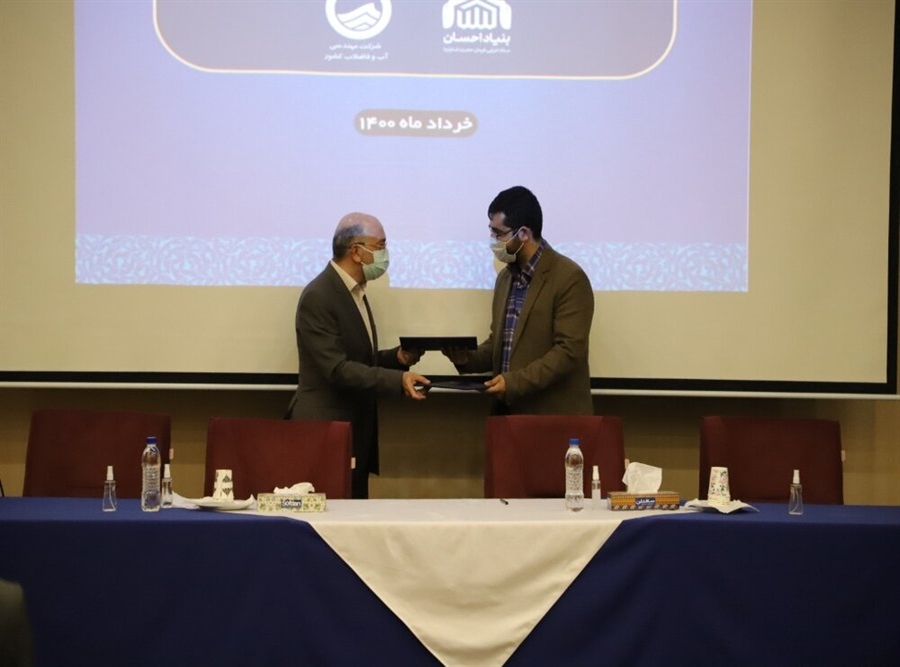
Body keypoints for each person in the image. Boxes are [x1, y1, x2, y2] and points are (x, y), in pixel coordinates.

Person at [288, 212, 428, 499]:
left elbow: (358, 358)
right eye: (381, 246)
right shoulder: (319, 295)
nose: (385, 254)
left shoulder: (355, 291)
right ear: (356, 251)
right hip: (325, 430)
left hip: (353, 431)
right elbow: (337, 369)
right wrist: (397, 380)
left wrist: (397, 359)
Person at [443, 186, 594, 415]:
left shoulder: (569, 278)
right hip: (506, 416)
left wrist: (513, 383)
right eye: (491, 232)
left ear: (523, 233)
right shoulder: (505, 278)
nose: (493, 240)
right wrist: (466, 358)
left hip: (552, 418)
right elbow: (500, 345)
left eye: (499, 233)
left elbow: (568, 352)